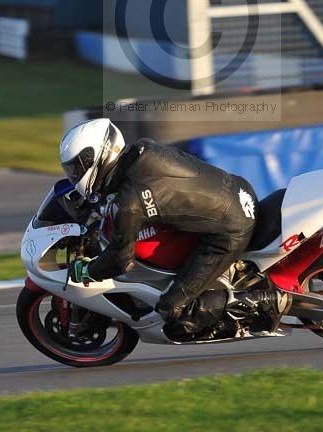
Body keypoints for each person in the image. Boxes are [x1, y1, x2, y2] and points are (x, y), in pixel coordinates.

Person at [59, 118, 266, 335]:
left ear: (97, 158)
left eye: (76, 168)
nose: (73, 175)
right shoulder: (142, 149)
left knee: (172, 311)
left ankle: (261, 300)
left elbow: (120, 261)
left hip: (231, 229)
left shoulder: (129, 205)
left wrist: (86, 271)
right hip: (239, 190)